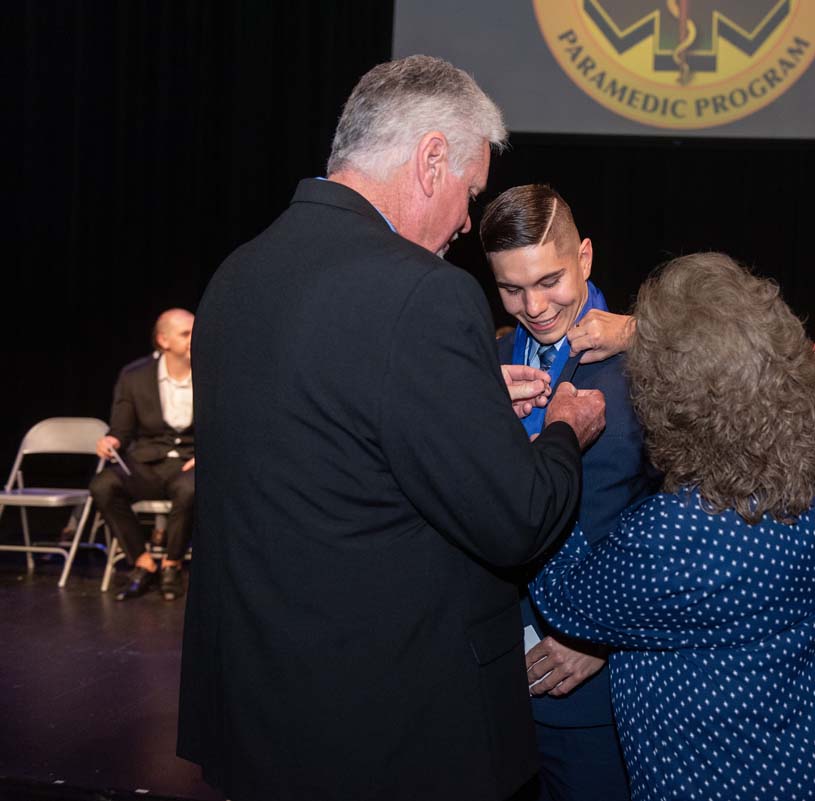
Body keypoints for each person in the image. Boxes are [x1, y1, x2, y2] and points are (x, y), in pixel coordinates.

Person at [177, 56, 607, 801]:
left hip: (256, 709)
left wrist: (468, 402)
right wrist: (566, 426)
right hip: (387, 729)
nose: (467, 221)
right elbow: (518, 520)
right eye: (470, 192)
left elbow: (333, 443)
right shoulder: (423, 293)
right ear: (431, 160)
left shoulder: (237, 274)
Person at [530, 253, 815, 801]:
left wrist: (560, 444)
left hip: (720, 781)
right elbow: (753, 358)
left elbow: (565, 597)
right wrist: (646, 333)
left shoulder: (674, 534)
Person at [480, 185, 657, 801]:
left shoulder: (651, 364)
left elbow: (681, 522)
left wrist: (604, 633)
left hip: (600, 689)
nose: (533, 306)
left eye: (549, 280)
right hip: (493, 683)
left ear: (584, 256)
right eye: (510, 289)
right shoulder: (487, 362)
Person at [89, 308, 196, 602]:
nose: (194, 339)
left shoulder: (211, 372)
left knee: (191, 489)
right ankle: (142, 562)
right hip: (149, 463)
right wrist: (110, 440)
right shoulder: (135, 375)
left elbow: (226, 422)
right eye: (185, 334)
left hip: (190, 462)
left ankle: (172, 565)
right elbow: (121, 430)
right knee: (103, 485)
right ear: (163, 340)